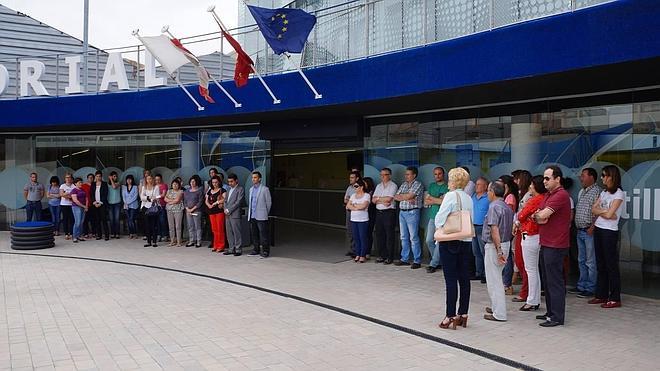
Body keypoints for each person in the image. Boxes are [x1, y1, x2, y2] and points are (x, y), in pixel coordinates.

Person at [434, 167, 474, 329]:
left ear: (453, 181)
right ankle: (463, 313)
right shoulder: (468, 198)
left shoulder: (451, 196)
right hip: (465, 239)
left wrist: (439, 228)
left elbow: (440, 217)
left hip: (450, 240)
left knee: (450, 279)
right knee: (464, 278)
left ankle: (449, 315)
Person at [533, 165, 572, 327]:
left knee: (554, 281)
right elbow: (537, 215)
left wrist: (540, 216)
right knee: (547, 280)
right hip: (547, 243)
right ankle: (550, 312)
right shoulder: (549, 195)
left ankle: (557, 316)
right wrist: (539, 216)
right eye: (544, 178)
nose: (544, 181)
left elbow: (541, 215)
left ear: (558, 179)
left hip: (556, 245)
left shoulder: (561, 195)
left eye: (548, 178)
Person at [589, 165, 625, 309]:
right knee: (600, 264)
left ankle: (615, 297)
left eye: (604, 175)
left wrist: (603, 212)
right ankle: (601, 294)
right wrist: (606, 211)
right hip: (599, 228)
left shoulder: (619, 194)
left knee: (611, 265)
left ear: (612, 176)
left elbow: (611, 215)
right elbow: (593, 209)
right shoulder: (604, 192)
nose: (602, 178)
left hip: (610, 232)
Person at [482, 181, 514, 322]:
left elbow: (494, 229)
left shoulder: (494, 207)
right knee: (496, 277)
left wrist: (499, 251)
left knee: (494, 280)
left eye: (488, 191)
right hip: (505, 243)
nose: (487, 193)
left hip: (495, 246)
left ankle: (499, 313)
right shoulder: (506, 206)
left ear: (492, 192)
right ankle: (496, 307)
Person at [514, 175, 546, 311]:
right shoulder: (544, 198)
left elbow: (521, 215)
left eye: (532, 185)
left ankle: (532, 300)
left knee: (531, 270)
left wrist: (518, 221)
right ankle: (534, 298)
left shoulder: (535, 200)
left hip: (531, 235)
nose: (530, 187)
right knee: (534, 270)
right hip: (536, 235)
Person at [569, 168, 601, 298]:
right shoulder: (583, 192)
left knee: (590, 261)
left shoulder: (597, 192)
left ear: (592, 177)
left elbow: (599, 211)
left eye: (583, 175)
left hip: (589, 231)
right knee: (581, 260)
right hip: (580, 230)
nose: (581, 178)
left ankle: (591, 287)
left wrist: (592, 227)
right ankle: (582, 285)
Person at [394, 166, 424, 269]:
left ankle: (417, 260)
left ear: (414, 175)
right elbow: (396, 197)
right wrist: (407, 197)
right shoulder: (403, 184)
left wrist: (405, 197)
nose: (406, 176)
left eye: (408, 174)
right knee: (403, 237)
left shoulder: (418, 184)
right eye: (405, 174)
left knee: (413, 237)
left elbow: (409, 196)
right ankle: (405, 258)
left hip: (412, 212)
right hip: (402, 212)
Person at [511, 170, 533, 303]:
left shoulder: (529, 196)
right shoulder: (522, 194)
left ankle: (526, 292)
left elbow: (524, 214)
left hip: (525, 231)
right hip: (520, 230)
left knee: (524, 263)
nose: (515, 182)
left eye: (517, 179)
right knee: (520, 261)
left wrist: (517, 222)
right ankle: (526, 290)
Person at [424, 167, 448, 273]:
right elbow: (427, 201)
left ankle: (433, 264)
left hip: (443, 218)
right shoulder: (431, 186)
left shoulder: (447, 186)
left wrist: (434, 199)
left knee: (439, 241)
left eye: (439, 174)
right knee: (429, 240)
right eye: (435, 174)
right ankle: (438, 261)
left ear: (443, 174)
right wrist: (438, 199)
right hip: (433, 216)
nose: (437, 176)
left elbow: (444, 202)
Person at [499, 175, 519, 296]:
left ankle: (507, 284)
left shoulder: (510, 197)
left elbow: (508, 215)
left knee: (507, 258)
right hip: (506, 229)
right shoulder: (506, 196)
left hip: (507, 230)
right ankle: (506, 283)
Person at [372, 168, 397, 265]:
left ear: (389, 175)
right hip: (379, 212)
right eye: (381, 175)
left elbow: (389, 199)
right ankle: (382, 255)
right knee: (379, 234)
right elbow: (373, 200)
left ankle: (389, 257)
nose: (383, 176)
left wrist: (379, 199)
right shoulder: (378, 186)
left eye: (385, 174)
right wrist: (381, 200)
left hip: (389, 212)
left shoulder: (393, 185)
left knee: (389, 235)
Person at [247, 171, 272, 258]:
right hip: (252, 215)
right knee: (254, 234)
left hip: (261, 215)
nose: (253, 179)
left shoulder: (265, 189)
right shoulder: (251, 189)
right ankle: (256, 249)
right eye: (252, 177)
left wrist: (265, 212)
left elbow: (268, 203)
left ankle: (265, 251)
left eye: (255, 177)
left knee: (263, 235)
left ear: (259, 179)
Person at [346, 179, 371, 263]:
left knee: (362, 237)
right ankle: (357, 254)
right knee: (356, 237)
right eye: (354, 186)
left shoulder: (366, 195)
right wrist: (356, 206)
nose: (355, 188)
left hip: (363, 220)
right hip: (354, 219)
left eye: (356, 186)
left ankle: (362, 255)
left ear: (361, 187)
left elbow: (363, 206)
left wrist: (354, 206)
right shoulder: (353, 195)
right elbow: (348, 206)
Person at [471, 176, 490, 283]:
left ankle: (485, 275)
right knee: (476, 251)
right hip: (473, 226)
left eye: (479, 184)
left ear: (485, 186)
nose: (476, 186)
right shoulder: (473, 196)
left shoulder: (488, 197)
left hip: (483, 227)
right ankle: (478, 273)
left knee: (484, 251)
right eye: (476, 184)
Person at [224, 173, 245, 256]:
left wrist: (229, 210)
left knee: (236, 232)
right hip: (227, 214)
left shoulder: (240, 189)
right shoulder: (228, 189)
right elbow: (225, 200)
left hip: (235, 214)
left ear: (236, 181)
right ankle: (231, 248)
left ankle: (238, 249)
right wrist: (225, 209)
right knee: (229, 232)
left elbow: (238, 202)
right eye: (229, 182)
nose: (230, 183)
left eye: (231, 181)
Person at [206, 175, 227, 253]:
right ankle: (215, 245)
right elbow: (206, 200)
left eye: (216, 182)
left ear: (219, 182)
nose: (214, 184)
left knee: (220, 229)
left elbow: (224, 199)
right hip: (211, 211)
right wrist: (208, 205)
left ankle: (221, 246)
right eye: (213, 182)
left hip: (219, 211)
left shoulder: (222, 190)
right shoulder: (210, 190)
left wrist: (216, 203)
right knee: (214, 229)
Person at [140, 174, 162, 247]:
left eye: (150, 179)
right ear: (146, 180)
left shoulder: (156, 187)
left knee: (154, 225)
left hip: (153, 207)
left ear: (152, 179)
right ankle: (148, 241)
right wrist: (149, 198)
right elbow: (141, 197)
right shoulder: (144, 187)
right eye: (148, 179)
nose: (149, 180)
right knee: (147, 225)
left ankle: (154, 241)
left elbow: (157, 196)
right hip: (145, 207)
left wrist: (151, 198)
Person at [343, 170, 361, 258]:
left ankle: (356, 250)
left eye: (352, 177)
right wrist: (351, 202)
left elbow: (358, 201)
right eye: (350, 177)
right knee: (349, 231)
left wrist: (351, 202)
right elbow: (345, 200)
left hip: (356, 212)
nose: (350, 179)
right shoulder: (349, 188)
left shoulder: (359, 187)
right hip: (349, 211)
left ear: (357, 178)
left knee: (355, 231)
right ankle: (351, 249)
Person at [184, 175, 204, 247]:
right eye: (191, 181)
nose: (192, 183)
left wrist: (192, 209)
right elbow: (185, 201)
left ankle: (198, 241)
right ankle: (191, 240)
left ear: (197, 182)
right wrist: (187, 209)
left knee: (197, 226)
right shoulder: (187, 191)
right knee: (190, 226)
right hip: (188, 211)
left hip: (197, 211)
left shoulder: (199, 190)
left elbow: (200, 201)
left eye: (194, 181)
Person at [90, 170, 110, 241]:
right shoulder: (93, 184)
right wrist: (94, 202)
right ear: (95, 177)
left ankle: (107, 235)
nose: (98, 177)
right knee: (97, 220)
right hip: (95, 204)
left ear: (101, 177)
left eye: (99, 176)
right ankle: (99, 235)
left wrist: (100, 203)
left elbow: (105, 194)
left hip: (102, 204)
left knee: (104, 220)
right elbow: (91, 194)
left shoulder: (104, 184)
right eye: (97, 176)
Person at [165, 179, 185, 247]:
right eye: (173, 184)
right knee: (171, 226)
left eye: (176, 184)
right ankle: (172, 241)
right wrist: (173, 200)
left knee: (178, 226)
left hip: (178, 210)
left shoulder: (181, 191)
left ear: (179, 185)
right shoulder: (169, 191)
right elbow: (165, 199)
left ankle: (179, 241)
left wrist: (170, 201)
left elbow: (178, 200)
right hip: (169, 210)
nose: (175, 185)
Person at [70, 177, 88, 243]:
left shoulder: (83, 189)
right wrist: (84, 206)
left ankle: (79, 235)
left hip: (83, 207)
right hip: (76, 207)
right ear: (75, 183)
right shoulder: (74, 190)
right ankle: (74, 236)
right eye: (79, 182)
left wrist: (86, 206)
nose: (81, 183)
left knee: (81, 222)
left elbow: (86, 198)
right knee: (77, 222)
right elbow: (75, 201)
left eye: (81, 182)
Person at [363, 177, 377, 259]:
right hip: (363, 215)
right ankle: (362, 251)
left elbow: (370, 203)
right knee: (363, 233)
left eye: (364, 183)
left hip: (371, 214)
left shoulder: (372, 192)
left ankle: (368, 251)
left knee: (368, 233)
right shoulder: (363, 192)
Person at [122, 175, 139, 239]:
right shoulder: (124, 187)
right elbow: (123, 196)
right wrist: (125, 203)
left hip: (133, 205)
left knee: (132, 219)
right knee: (129, 219)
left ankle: (134, 233)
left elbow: (135, 196)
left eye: (130, 179)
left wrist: (128, 202)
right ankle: (130, 233)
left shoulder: (135, 187)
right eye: (127, 179)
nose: (129, 181)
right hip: (126, 206)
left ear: (132, 180)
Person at [59, 173, 76, 240]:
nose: (68, 179)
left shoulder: (74, 186)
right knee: (65, 219)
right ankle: (66, 233)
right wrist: (68, 196)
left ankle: (71, 233)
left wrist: (66, 195)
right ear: (65, 178)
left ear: (71, 179)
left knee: (72, 219)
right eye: (66, 177)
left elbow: (75, 195)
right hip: (64, 204)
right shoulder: (62, 186)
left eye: (69, 177)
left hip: (72, 205)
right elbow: (61, 194)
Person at [107, 171, 122, 239]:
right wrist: (110, 180)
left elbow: (114, 187)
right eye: (113, 176)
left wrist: (111, 179)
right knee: (111, 219)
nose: (115, 177)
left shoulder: (118, 183)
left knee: (117, 219)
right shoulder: (107, 184)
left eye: (116, 176)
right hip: (110, 203)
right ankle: (112, 233)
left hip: (117, 203)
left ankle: (117, 233)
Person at [154, 174, 169, 242]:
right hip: (155, 205)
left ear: (161, 179)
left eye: (158, 179)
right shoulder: (154, 186)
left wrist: (156, 197)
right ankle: (158, 235)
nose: (157, 181)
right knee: (157, 221)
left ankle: (165, 235)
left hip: (162, 205)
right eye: (156, 179)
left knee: (162, 220)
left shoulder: (164, 185)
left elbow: (163, 195)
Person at [81, 173, 94, 238]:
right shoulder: (83, 185)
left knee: (93, 219)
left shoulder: (94, 185)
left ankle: (93, 232)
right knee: (85, 220)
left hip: (93, 205)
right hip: (85, 205)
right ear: (87, 178)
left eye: (92, 177)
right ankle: (85, 232)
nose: (90, 179)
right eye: (89, 177)